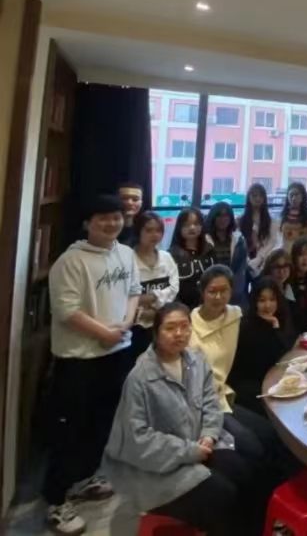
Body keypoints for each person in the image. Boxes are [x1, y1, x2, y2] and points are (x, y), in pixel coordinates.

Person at [102, 303, 257, 536]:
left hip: (201, 446)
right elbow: (138, 440)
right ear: (156, 333)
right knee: (222, 494)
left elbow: (211, 403)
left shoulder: (196, 360)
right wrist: (189, 451)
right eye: (170, 328)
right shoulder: (140, 378)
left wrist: (209, 435)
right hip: (159, 467)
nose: (179, 334)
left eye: (185, 327)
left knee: (244, 472)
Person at [44, 195, 141, 536]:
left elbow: (134, 292)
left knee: (102, 425)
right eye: (103, 218)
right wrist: (105, 333)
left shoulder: (125, 253)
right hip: (79, 359)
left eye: (116, 217)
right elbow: (66, 310)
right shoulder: (70, 261)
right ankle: (56, 500)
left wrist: (124, 325)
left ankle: (84, 479)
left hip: (116, 353)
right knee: (70, 429)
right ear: (87, 223)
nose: (112, 223)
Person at [188, 267, 268, 468]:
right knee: (252, 445)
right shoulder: (188, 326)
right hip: (202, 403)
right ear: (202, 291)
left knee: (269, 433)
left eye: (224, 291)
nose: (218, 297)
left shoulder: (235, 315)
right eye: (212, 291)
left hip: (225, 394)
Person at [228, 278, 295, 417]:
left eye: (272, 299)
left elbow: (285, 354)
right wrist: (275, 329)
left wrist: (275, 326)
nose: (267, 305)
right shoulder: (247, 326)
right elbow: (275, 358)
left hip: (270, 380)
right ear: (255, 302)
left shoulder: (278, 319)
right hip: (250, 387)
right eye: (262, 300)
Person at [132, 212, 180, 358]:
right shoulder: (127, 260)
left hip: (163, 324)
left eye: (158, 230)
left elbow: (174, 288)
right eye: (148, 230)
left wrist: (152, 298)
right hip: (134, 329)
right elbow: (124, 296)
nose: (154, 235)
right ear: (138, 231)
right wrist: (141, 313)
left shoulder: (166, 257)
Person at [204, 202, 249, 311]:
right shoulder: (204, 240)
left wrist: (231, 290)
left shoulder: (239, 240)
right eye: (219, 215)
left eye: (226, 215)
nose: (223, 219)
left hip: (234, 289)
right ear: (213, 217)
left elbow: (241, 270)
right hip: (211, 287)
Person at [170, 208, 215, 310]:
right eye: (186, 225)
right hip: (183, 308)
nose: (192, 228)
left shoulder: (209, 250)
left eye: (196, 224)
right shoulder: (172, 254)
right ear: (179, 227)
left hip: (209, 306)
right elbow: (172, 289)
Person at [240, 183, 279, 280]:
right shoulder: (240, 220)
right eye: (254, 195)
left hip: (263, 262)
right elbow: (239, 241)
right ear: (249, 197)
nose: (258, 198)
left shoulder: (271, 221)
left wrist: (260, 258)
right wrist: (247, 260)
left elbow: (272, 242)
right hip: (243, 262)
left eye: (261, 196)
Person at [118, 182, 145, 246]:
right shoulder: (107, 229)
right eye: (124, 198)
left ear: (141, 203)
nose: (129, 203)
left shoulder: (144, 230)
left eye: (135, 199)